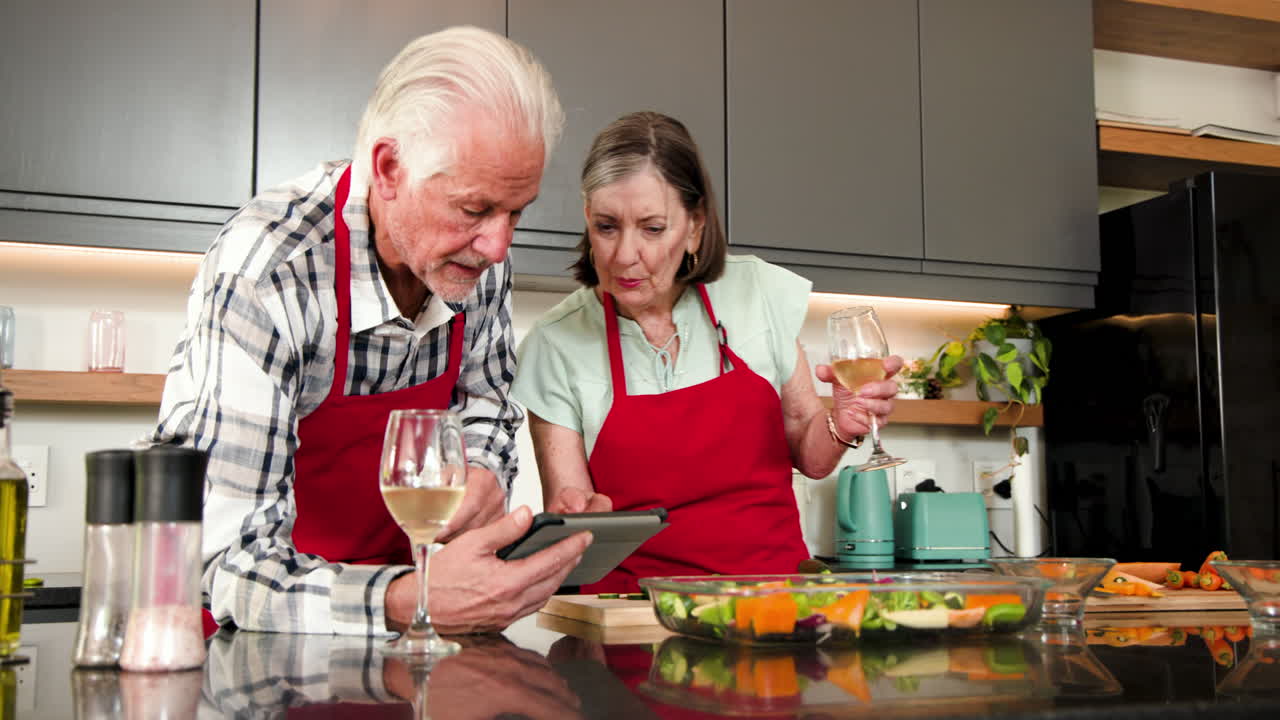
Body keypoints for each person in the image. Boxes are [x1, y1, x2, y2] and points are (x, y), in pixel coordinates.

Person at [152, 26, 590, 635]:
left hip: (408, 637)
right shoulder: (271, 273)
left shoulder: (475, 259)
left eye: (517, 211)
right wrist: (411, 599)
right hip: (255, 645)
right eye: (473, 209)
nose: (499, 244)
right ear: (388, 169)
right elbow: (228, 565)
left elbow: (488, 403)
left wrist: (484, 472)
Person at [511, 111, 902, 593]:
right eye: (606, 226)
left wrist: (841, 424)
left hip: (772, 607)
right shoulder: (556, 343)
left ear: (695, 226)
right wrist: (571, 516)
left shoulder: (755, 292)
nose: (624, 254)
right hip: (631, 616)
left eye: (652, 228)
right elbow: (570, 520)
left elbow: (810, 451)